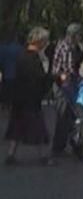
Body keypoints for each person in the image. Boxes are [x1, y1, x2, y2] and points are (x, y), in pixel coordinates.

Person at [5, 27, 54, 166]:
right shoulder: (33, 58)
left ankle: (10, 154)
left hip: (19, 97)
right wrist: (53, 78)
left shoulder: (22, 55)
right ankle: (43, 156)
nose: (46, 43)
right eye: (45, 41)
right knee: (38, 127)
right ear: (39, 41)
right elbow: (38, 78)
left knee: (16, 126)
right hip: (30, 99)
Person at [52, 22, 82, 154]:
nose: (80, 38)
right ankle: (58, 147)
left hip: (70, 84)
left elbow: (73, 68)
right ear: (73, 35)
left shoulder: (72, 47)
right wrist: (63, 77)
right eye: (78, 35)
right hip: (62, 86)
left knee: (71, 115)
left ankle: (72, 142)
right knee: (63, 116)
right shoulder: (64, 47)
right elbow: (57, 70)